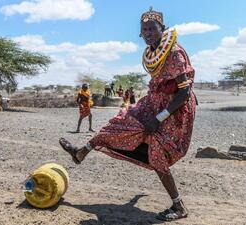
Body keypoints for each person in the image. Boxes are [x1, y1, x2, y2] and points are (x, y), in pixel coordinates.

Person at [59, 7, 196, 222]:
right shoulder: (152, 53)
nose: (148, 33)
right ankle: (81, 152)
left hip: (174, 110)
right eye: (144, 30)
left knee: (157, 154)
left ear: (162, 29)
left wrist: (159, 118)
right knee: (121, 121)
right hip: (153, 103)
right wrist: (135, 199)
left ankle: (179, 207)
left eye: (152, 28)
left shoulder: (175, 53)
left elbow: (185, 93)